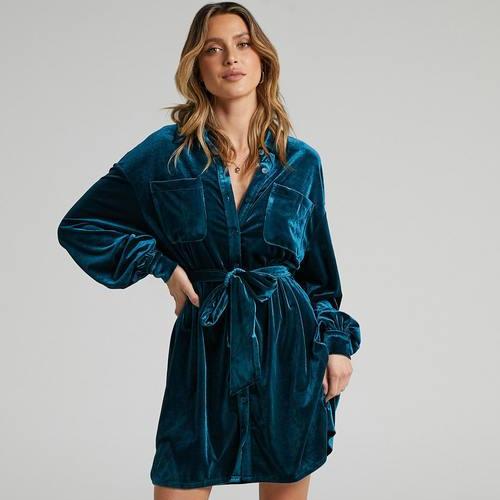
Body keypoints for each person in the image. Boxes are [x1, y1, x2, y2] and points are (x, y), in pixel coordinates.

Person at [57, 2, 361, 499]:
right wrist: (162, 265)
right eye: (213, 49)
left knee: (286, 476)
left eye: (242, 45)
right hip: (204, 347)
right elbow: (82, 225)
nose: (230, 58)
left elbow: (318, 274)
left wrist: (336, 345)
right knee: (180, 478)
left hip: (288, 347)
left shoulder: (301, 162)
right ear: (197, 66)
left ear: (262, 59)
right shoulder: (166, 153)